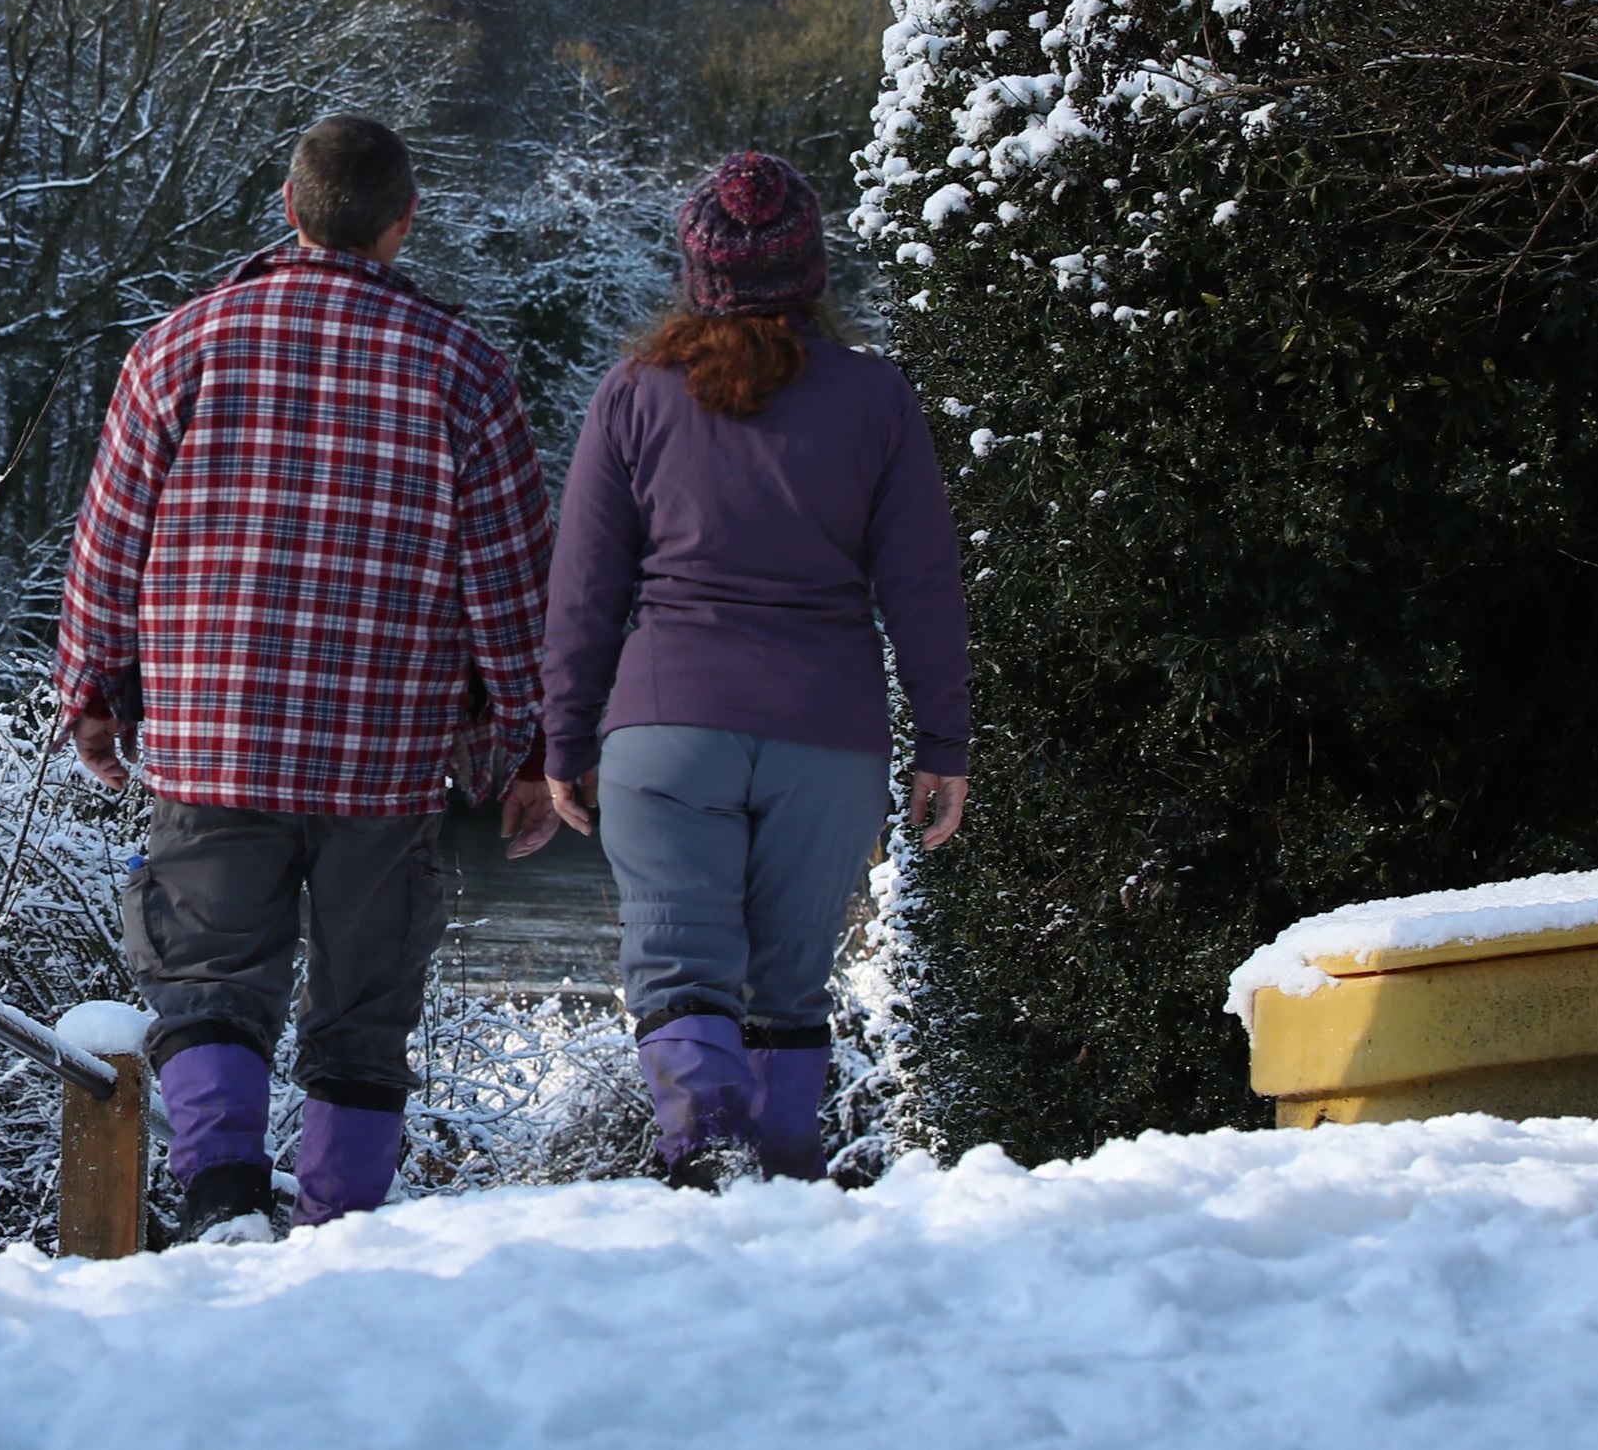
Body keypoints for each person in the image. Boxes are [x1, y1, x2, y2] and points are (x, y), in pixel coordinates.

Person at [55, 114, 555, 1241]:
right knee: (366, 1008)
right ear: (402, 222)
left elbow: (109, 536)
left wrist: (88, 685)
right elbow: (513, 582)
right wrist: (523, 747)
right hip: (387, 749)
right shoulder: (466, 369)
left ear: (289, 205)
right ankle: (342, 1238)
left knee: (209, 981)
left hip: (215, 729)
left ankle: (223, 1198)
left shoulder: (179, 347)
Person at [538, 150, 971, 1187]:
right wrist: (944, 740)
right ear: (812, 268)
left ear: (698, 273)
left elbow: (585, 586)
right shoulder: (878, 400)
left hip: (666, 723)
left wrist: (563, 736)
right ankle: (779, 1196)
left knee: (681, 973)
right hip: (829, 734)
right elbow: (923, 584)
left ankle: (706, 1156)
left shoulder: (634, 395)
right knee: (789, 990)